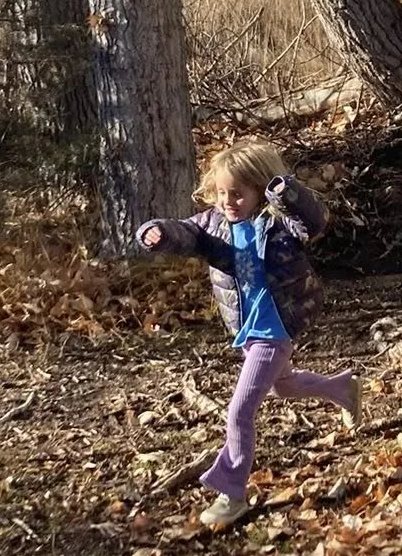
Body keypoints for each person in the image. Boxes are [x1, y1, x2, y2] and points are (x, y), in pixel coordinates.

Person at [137, 139, 358, 530]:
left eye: (238, 194)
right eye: (222, 193)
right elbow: (185, 232)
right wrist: (159, 233)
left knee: (239, 410)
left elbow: (314, 222)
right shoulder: (213, 224)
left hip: (278, 325)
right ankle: (343, 389)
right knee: (282, 386)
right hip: (248, 328)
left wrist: (287, 193)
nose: (228, 201)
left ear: (261, 189)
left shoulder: (278, 223)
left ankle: (232, 491)